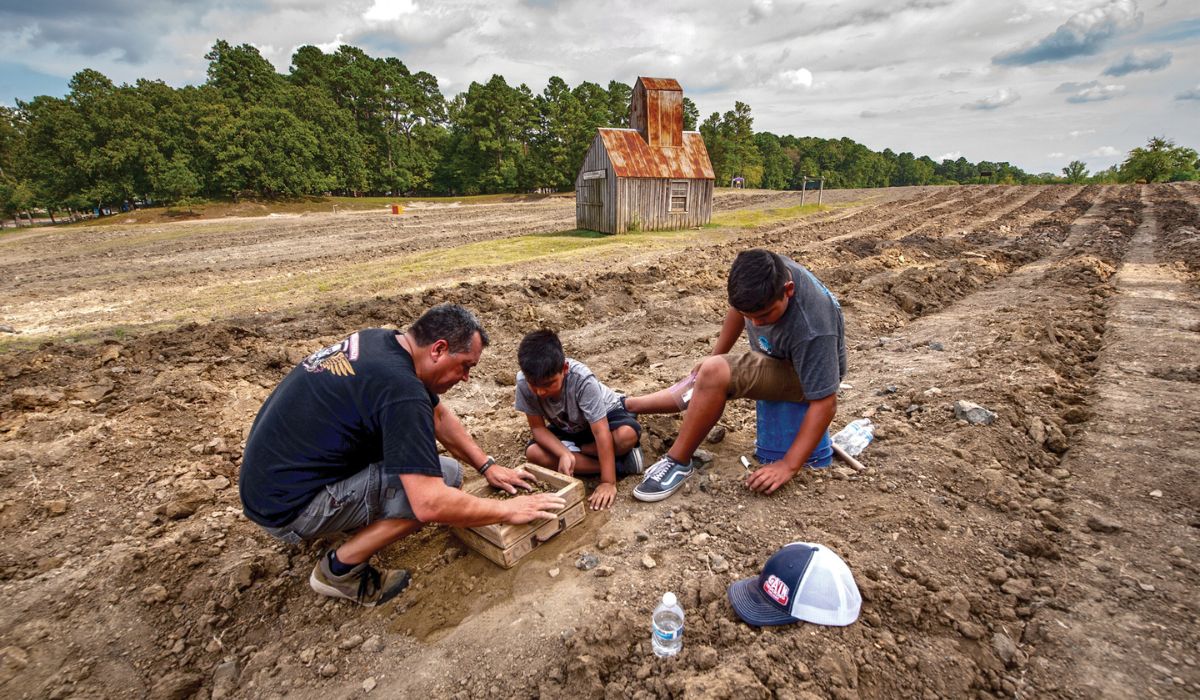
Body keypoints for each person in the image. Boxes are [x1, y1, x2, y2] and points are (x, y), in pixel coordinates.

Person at [239, 304, 565, 606]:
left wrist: (487, 465)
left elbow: (438, 417)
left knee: (430, 469)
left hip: (271, 487)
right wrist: (507, 510)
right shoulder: (402, 391)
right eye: (465, 366)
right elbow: (429, 503)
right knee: (446, 480)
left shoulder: (382, 343)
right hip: (290, 510)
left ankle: (350, 518)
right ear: (438, 349)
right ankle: (339, 570)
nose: (465, 378)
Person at [625, 249, 846, 501]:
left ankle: (677, 462)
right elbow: (738, 311)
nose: (757, 323)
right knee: (704, 374)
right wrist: (715, 354)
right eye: (750, 316)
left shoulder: (814, 329)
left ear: (789, 290)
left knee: (713, 374)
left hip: (805, 376)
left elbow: (826, 402)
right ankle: (627, 404)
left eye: (763, 315)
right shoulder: (764, 274)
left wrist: (788, 465)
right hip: (779, 356)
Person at [516, 329, 645, 511]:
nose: (540, 392)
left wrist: (608, 482)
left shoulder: (582, 380)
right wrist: (563, 454)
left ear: (565, 370)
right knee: (534, 454)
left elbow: (601, 431)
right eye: (534, 385)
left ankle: (593, 457)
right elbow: (538, 429)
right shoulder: (523, 383)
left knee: (626, 435)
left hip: (604, 418)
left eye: (549, 384)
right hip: (568, 427)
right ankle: (621, 465)